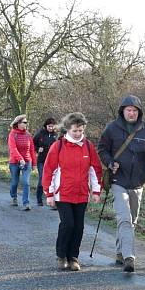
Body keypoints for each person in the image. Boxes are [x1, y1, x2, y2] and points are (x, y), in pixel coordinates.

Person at [97, 95, 145, 272]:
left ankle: (119, 252)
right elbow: (102, 149)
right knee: (124, 218)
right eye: (128, 110)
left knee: (132, 220)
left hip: (138, 181)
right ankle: (129, 257)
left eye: (134, 110)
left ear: (139, 112)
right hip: (118, 179)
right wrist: (110, 162)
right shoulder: (112, 128)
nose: (131, 113)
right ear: (122, 111)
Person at [42, 112, 102, 272]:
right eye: (75, 131)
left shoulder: (88, 146)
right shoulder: (58, 146)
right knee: (67, 224)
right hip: (63, 194)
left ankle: (73, 257)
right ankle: (61, 255)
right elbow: (49, 170)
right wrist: (49, 193)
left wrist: (96, 190)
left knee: (79, 227)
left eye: (80, 131)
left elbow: (94, 169)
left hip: (81, 193)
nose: (78, 134)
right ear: (67, 129)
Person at [8, 114, 37, 210]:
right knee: (14, 182)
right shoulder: (12, 134)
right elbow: (13, 149)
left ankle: (26, 203)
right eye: (24, 122)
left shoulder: (28, 135)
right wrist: (20, 159)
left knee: (26, 182)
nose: (26, 124)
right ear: (18, 123)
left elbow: (32, 149)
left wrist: (34, 163)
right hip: (15, 162)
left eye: (26, 122)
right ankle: (14, 197)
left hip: (27, 161)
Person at [33, 117, 57, 207]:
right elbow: (32, 143)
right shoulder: (40, 134)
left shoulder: (56, 135)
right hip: (42, 160)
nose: (51, 128)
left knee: (54, 180)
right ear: (46, 126)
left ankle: (53, 201)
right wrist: (38, 148)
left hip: (53, 161)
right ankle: (39, 199)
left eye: (52, 126)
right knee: (42, 179)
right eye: (49, 126)